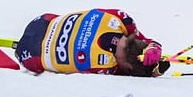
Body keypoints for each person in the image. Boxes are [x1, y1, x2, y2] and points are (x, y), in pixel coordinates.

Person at [15, 9, 169, 77]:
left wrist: (153, 45)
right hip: (30, 55)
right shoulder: (105, 65)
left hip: (43, 21)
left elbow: (138, 38)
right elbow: (130, 74)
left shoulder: (120, 20)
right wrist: (153, 72)